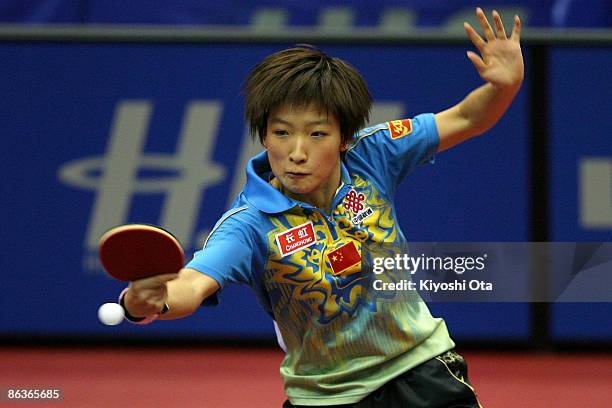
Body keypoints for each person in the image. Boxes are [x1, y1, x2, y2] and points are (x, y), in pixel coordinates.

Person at [120, 7, 523, 407]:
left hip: (422, 371)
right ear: (263, 135)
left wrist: (503, 87)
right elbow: (191, 284)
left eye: (316, 134)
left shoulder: (374, 154)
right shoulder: (249, 224)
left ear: (344, 137)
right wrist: (148, 304)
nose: (297, 152)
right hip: (328, 397)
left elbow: (467, 117)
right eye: (281, 133)